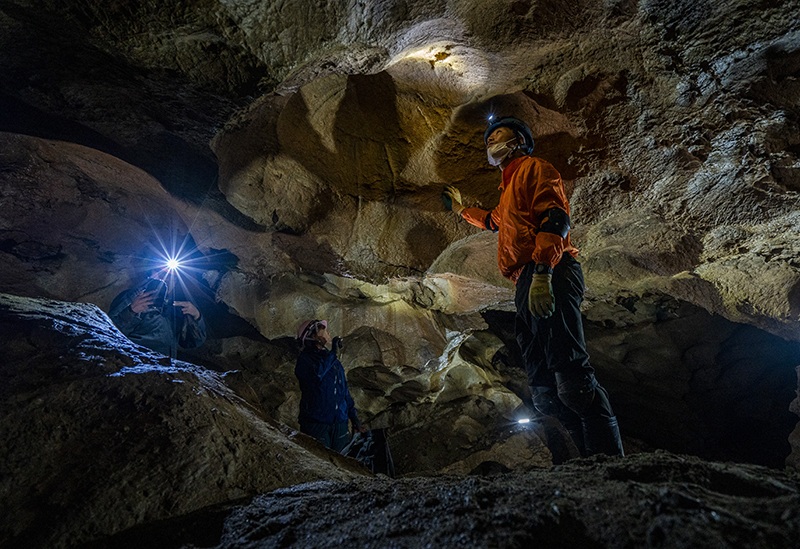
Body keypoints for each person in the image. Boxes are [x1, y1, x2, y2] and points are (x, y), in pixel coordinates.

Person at [442, 116, 623, 457]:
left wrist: (543, 271)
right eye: (489, 138)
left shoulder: (535, 168)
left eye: (499, 135)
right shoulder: (509, 189)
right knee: (546, 396)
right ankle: (591, 465)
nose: (491, 141)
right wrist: (461, 209)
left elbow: (555, 218)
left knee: (574, 381)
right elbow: (495, 220)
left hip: (552, 269)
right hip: (525, 280)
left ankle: (612, 463)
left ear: (519, 142)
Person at [295, 319, 364, 452]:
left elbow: (344, 390)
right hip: (316, 424)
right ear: (314, 335)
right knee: (321, 464)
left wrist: (353, 417)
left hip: (340, 424)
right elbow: (317, 373)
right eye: (324, 330)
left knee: (341, 466)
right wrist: (333, 352)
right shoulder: (304, 360)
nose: (328, 333)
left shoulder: (334, 362)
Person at [108, 268, 206, 358]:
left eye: (171, 277)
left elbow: (191, 343)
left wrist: (196, 317)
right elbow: (109, 333)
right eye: (161, 273)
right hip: (134, 365)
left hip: (163, 370)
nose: (166, 278)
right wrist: (131, 311)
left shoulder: (173, 307)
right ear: (149, 273)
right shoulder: (131, 297)